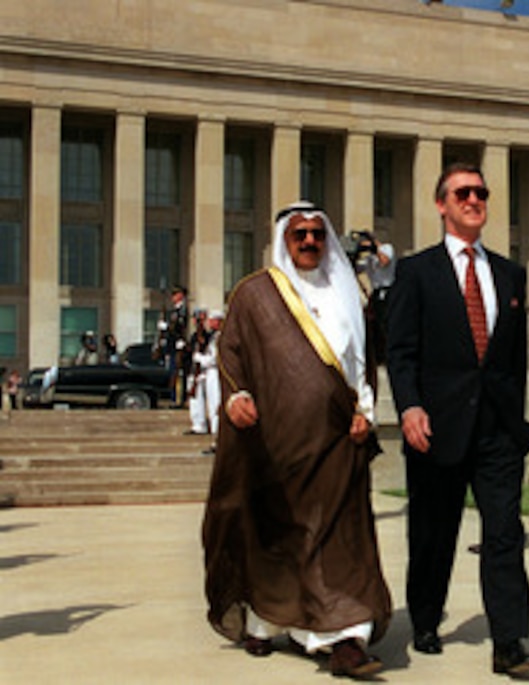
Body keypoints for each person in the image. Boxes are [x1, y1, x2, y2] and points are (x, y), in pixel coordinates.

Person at [202, 200, 392, 679]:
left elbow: (361, 363)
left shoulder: (348, 292)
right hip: (277, 443)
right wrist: (236, 396)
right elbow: (231, 354)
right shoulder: (256, 294)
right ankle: (267, 622)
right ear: (284, 241)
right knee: (280, 535)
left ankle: (344, 638)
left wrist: (365, 412)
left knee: (340, 538)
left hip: (337, 437)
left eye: (317, 234)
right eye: (299, 235)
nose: (309, 242)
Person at [386, 162, 529, 676]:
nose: (474, 200)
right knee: (433, 531)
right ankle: (426, 619)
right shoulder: (415, 272)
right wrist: (409, 407)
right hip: (436, 424)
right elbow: (401, 351)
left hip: (497, 428)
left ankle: (508, 641)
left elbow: (514, 358)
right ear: (441, 204)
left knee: (503, 532)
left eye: (480, 192)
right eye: (462, 193)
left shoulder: (509, 273)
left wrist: (515, 420)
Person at [354, 231, 396, 367]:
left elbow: (385, 261)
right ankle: (378, 355)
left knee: (386, 324)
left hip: (388, 291)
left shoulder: (386, 249)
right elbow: (357, 270)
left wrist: (374, 247)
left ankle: (389, 354)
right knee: (374, 324)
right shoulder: (369, 258)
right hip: (376, 293)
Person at [197, 310, 224, 455]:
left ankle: (218, 441)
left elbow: (215, 358)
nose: (209, 322)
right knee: (211, 406)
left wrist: (201, 359)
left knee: (215, 408)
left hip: (215, 372)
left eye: (212, 320)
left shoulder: (220, 337)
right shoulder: (214, 337)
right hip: (209, 373)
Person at [185, 309, 212, 435]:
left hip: (201, 371)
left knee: (200, 399)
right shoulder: (194, 336)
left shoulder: (207, 336)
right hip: (193, 370)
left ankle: (201, 424)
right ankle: (196, 423)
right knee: (194, 399)